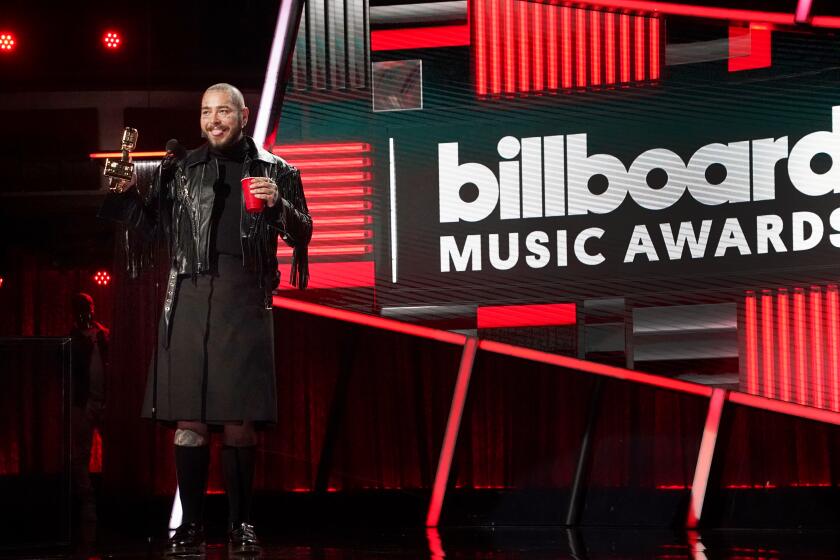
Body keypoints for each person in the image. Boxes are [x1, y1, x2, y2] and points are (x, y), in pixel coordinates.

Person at [98, 83, 311, 556]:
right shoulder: (180, 169)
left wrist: (279, 202)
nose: (213, 120)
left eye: (223, 112)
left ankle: (241, 525)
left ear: (243, 115)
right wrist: (129, 192)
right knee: (189, 423)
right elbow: (152, 230)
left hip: (245, 296)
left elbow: (304, 232)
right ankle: (191, 525)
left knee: (238, 422)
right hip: (189, 296)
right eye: (206, 112)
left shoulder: (277, 170)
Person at [70, 292, 109, 524]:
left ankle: (105, 491)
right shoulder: (73, 339)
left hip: (102, 401)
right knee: (81, 452)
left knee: (109, 448)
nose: (89, 310)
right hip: (83, 402)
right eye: (84, 306)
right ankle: (86, 494)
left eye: (90, 305)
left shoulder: (102, 334)